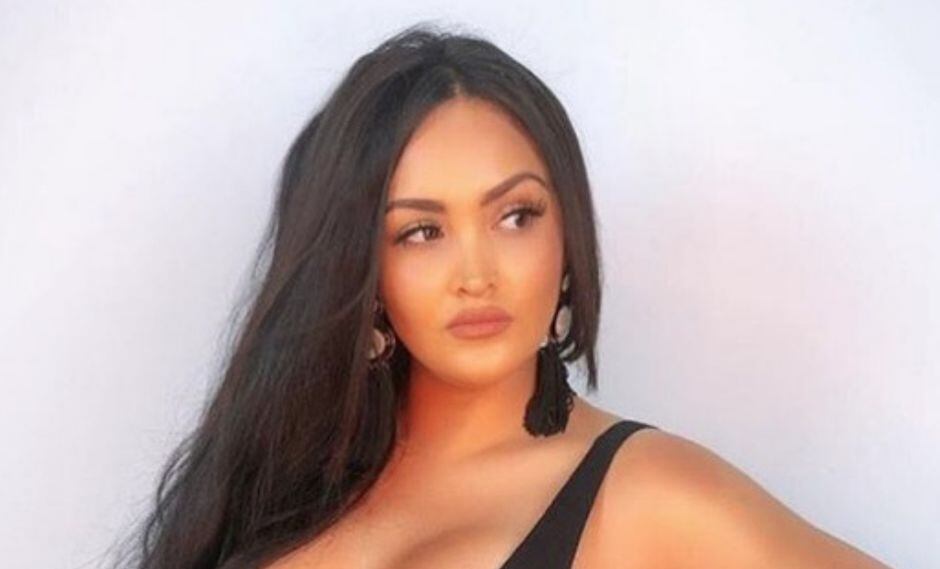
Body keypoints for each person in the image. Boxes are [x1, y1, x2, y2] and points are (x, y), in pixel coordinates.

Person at [113, 22, 891, 569]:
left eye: (516, 216)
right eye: (421, 231)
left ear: (566, 234)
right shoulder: (287, 480)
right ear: (360, 268)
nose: (477, 272)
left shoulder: (651, 493)